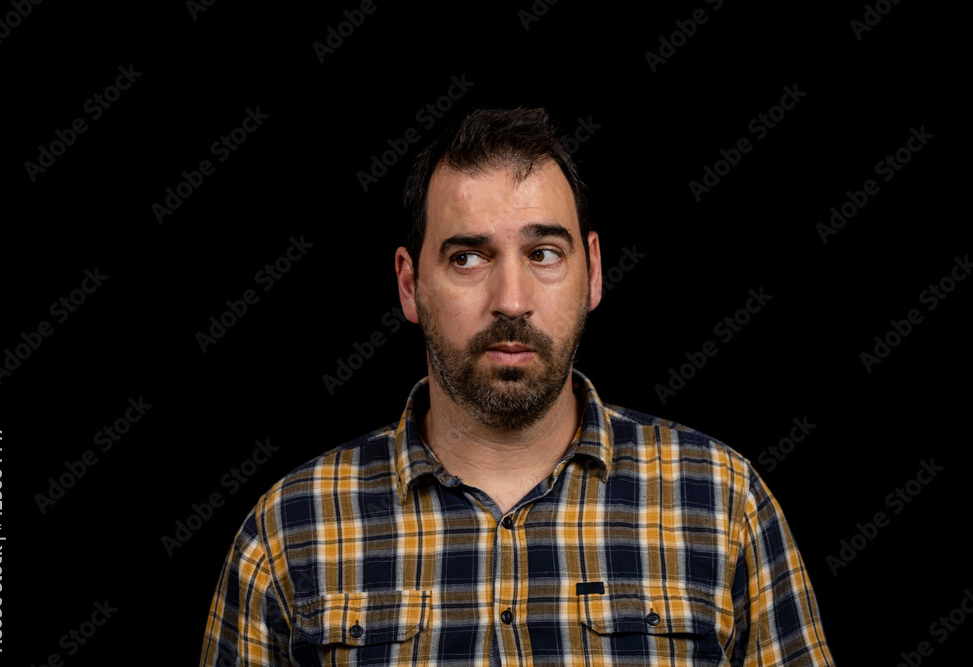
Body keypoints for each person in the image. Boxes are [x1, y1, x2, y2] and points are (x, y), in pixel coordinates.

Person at [200, 108, 834, 666]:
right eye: (468, 258)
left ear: (592, 273)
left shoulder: (724, 504)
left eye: (544, 253)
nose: (511, 300)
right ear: (408, 284)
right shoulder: (289, 530)